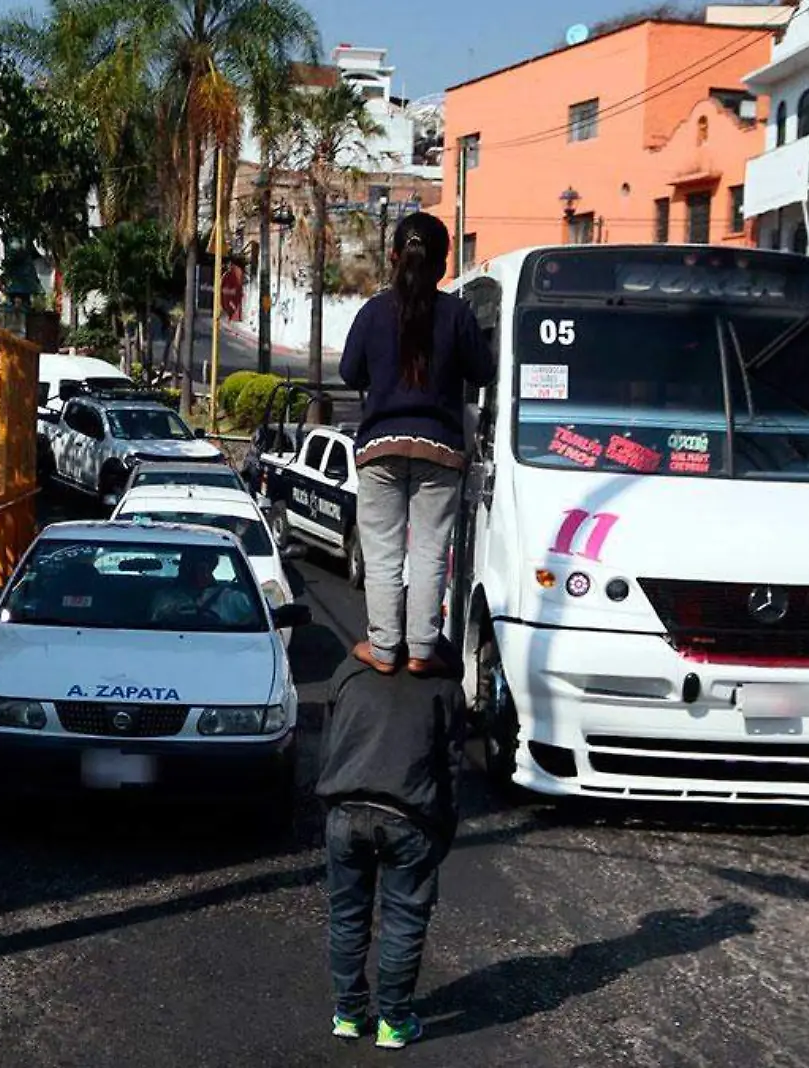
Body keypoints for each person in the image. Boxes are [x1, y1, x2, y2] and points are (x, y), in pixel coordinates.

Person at [339, 212, 495, 677]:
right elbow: (483, 372)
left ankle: (383, 649)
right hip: (440, 451)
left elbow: (350, 373)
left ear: (392, 257)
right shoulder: (458, 314)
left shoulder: (372, 312)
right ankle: (421, 651)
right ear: (444, 263)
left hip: (380, 448)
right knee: (429, 552)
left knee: (384, 554)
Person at [316, 656, 463, 1049]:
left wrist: (329, 809)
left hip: (345, 810)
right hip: (408, 817)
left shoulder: (348, 671)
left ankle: (348, 1014)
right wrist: (442, 833)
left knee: (347, 915)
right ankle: (394, 1021)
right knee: (403, 921)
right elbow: (449, 771)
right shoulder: (443, 686)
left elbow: (328, 748)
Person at [147, 547, 257, 628]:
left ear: (212, 568)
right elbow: (154, 626)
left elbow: (257, 619)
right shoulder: (166, 598)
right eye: (189, 565)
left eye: (202, 567)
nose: (194, 572)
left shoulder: (232, 599)